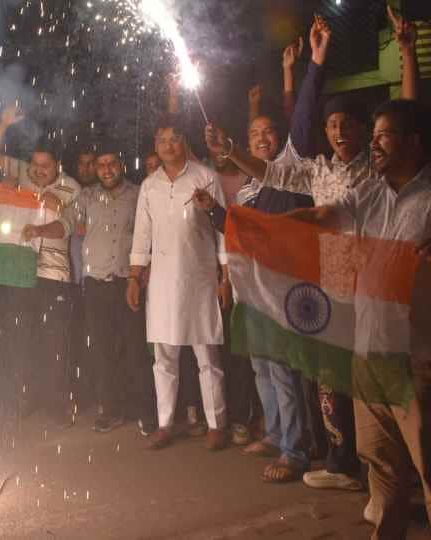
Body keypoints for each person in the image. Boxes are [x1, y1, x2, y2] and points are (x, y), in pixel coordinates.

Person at [206, 9, 419, 490]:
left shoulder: (380, 167)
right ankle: (345, 463)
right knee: (330, 374)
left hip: (379, 282)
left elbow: (408, 116)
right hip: (331, 278)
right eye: (333, 126)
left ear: (368, 133)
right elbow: (271, 173)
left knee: (382, 376)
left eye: (349, 125)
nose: (340, 133)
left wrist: (406, 52)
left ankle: (399, 476)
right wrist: (231, 151)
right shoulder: (319, 170)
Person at [281, 99, 430, 540]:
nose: (376, 144)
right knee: (381, 466)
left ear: (414, 143)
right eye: (377, 134)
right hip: (369, 358)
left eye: (385, 134)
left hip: (416, 360)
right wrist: (260, 226)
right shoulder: (369, 192)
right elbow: (325, 214)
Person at [196, 112, 315, 482]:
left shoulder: (287, 180)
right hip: (254, 287)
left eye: (269, 131)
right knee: (261, 366)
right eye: (254, 133)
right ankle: (276, 433)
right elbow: (238, 232)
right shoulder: (248, 190)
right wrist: (213, 210)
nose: (262, 138)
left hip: (284, 289)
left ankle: (295, 450)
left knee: (282, 370)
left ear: (280, 138)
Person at [128, 117, 230, 451]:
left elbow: (222, 232)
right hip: (161, 282)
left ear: (184, 141)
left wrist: (225, 277)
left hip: (200, 278)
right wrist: (134, 277)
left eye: (173, 139)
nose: (167, 145)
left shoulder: (206, 177)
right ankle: (165, 424)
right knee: (164, 358)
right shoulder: (150, 185)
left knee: (207, 356)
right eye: (161, 139)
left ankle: (217, 424)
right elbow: (142, 234)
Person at [0, 105, 81, 426]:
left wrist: (40, 227)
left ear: (58, 165)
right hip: (21, 273)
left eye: (46, 165)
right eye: (36, 164)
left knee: (54, 343)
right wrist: (2, 124)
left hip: (55, 275)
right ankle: (25, 399)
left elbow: (67, 227)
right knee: (23, 340)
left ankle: (56, 403)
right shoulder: (23, 175)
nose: (40, 170)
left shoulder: (71, 188)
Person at [71, 149, 155, 434]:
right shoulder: (87, 196)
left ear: (121, 165)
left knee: (135, 349)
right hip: (95, 283)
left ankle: (147, 412)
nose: (106, 169)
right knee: (102, 351)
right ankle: (111, 410)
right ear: (96, 169)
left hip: (127, 281)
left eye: (112, 164)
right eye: (101, 165)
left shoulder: (138, 193)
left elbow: (150, 232)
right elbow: (68, 221)